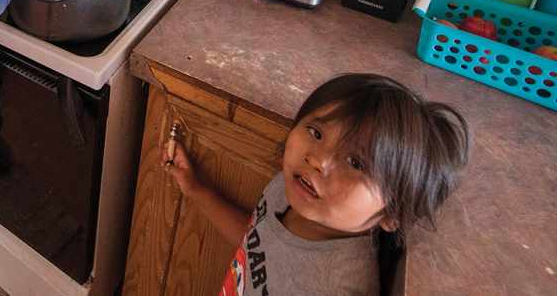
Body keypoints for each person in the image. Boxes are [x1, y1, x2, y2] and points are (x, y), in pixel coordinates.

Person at [164, 74, 469, 295]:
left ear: (392, 215)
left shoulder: (336, 285)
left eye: (356, 163)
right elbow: (257, 241)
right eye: (316, 133)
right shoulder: (289, 190)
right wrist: (196, 190)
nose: (318, 160)